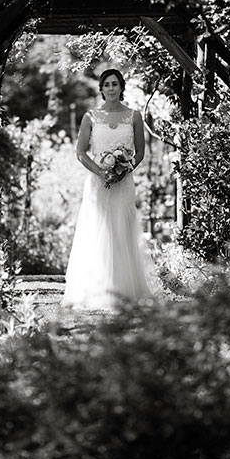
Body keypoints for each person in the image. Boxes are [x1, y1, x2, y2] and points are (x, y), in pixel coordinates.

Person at [61, 68, 156, 311]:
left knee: (121, 229)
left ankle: (126, 290)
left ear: (121, 87)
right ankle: (95, 289)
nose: (111, 88)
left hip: (124, 183)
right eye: (107, 84)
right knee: (98, 229)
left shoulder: (134, 116)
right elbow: (81, 153)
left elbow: (140, 152)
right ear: (101, 89)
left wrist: (123, 170)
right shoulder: (90, 117)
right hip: (97, 183)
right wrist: (102, 172)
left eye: (115, 84)